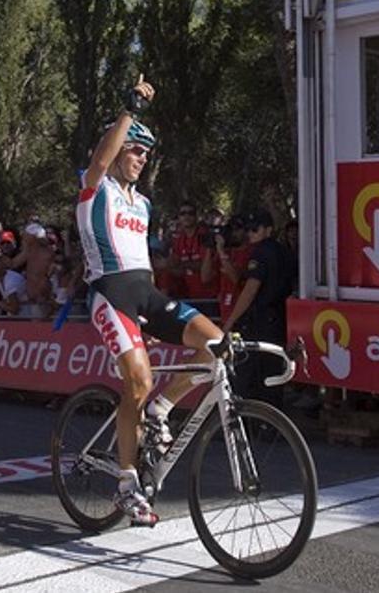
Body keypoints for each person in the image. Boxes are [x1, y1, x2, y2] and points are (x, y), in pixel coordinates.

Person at [76, 75, 227, 527]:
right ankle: (126, 485)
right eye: (135, 149)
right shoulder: (93, 188)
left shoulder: (142, 204)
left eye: (146, 152)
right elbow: (101, 158)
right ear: (119, 147)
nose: (141, 158)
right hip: (110, 294)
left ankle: (162, 410)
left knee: (217, 344)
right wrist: (131, 109)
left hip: (146, 292)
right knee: (137, 383)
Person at [222, 209, 294, 409]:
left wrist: (230, 322)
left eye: (256, 228)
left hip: (260, 321)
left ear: (268, 230)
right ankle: (271, 423)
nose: (250, 233)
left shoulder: (261, 252)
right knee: (273, 374)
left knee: (249, 374)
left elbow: (250, 290)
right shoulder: (283, 251)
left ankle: (248, 420)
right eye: (248, 229)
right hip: (278, 319)